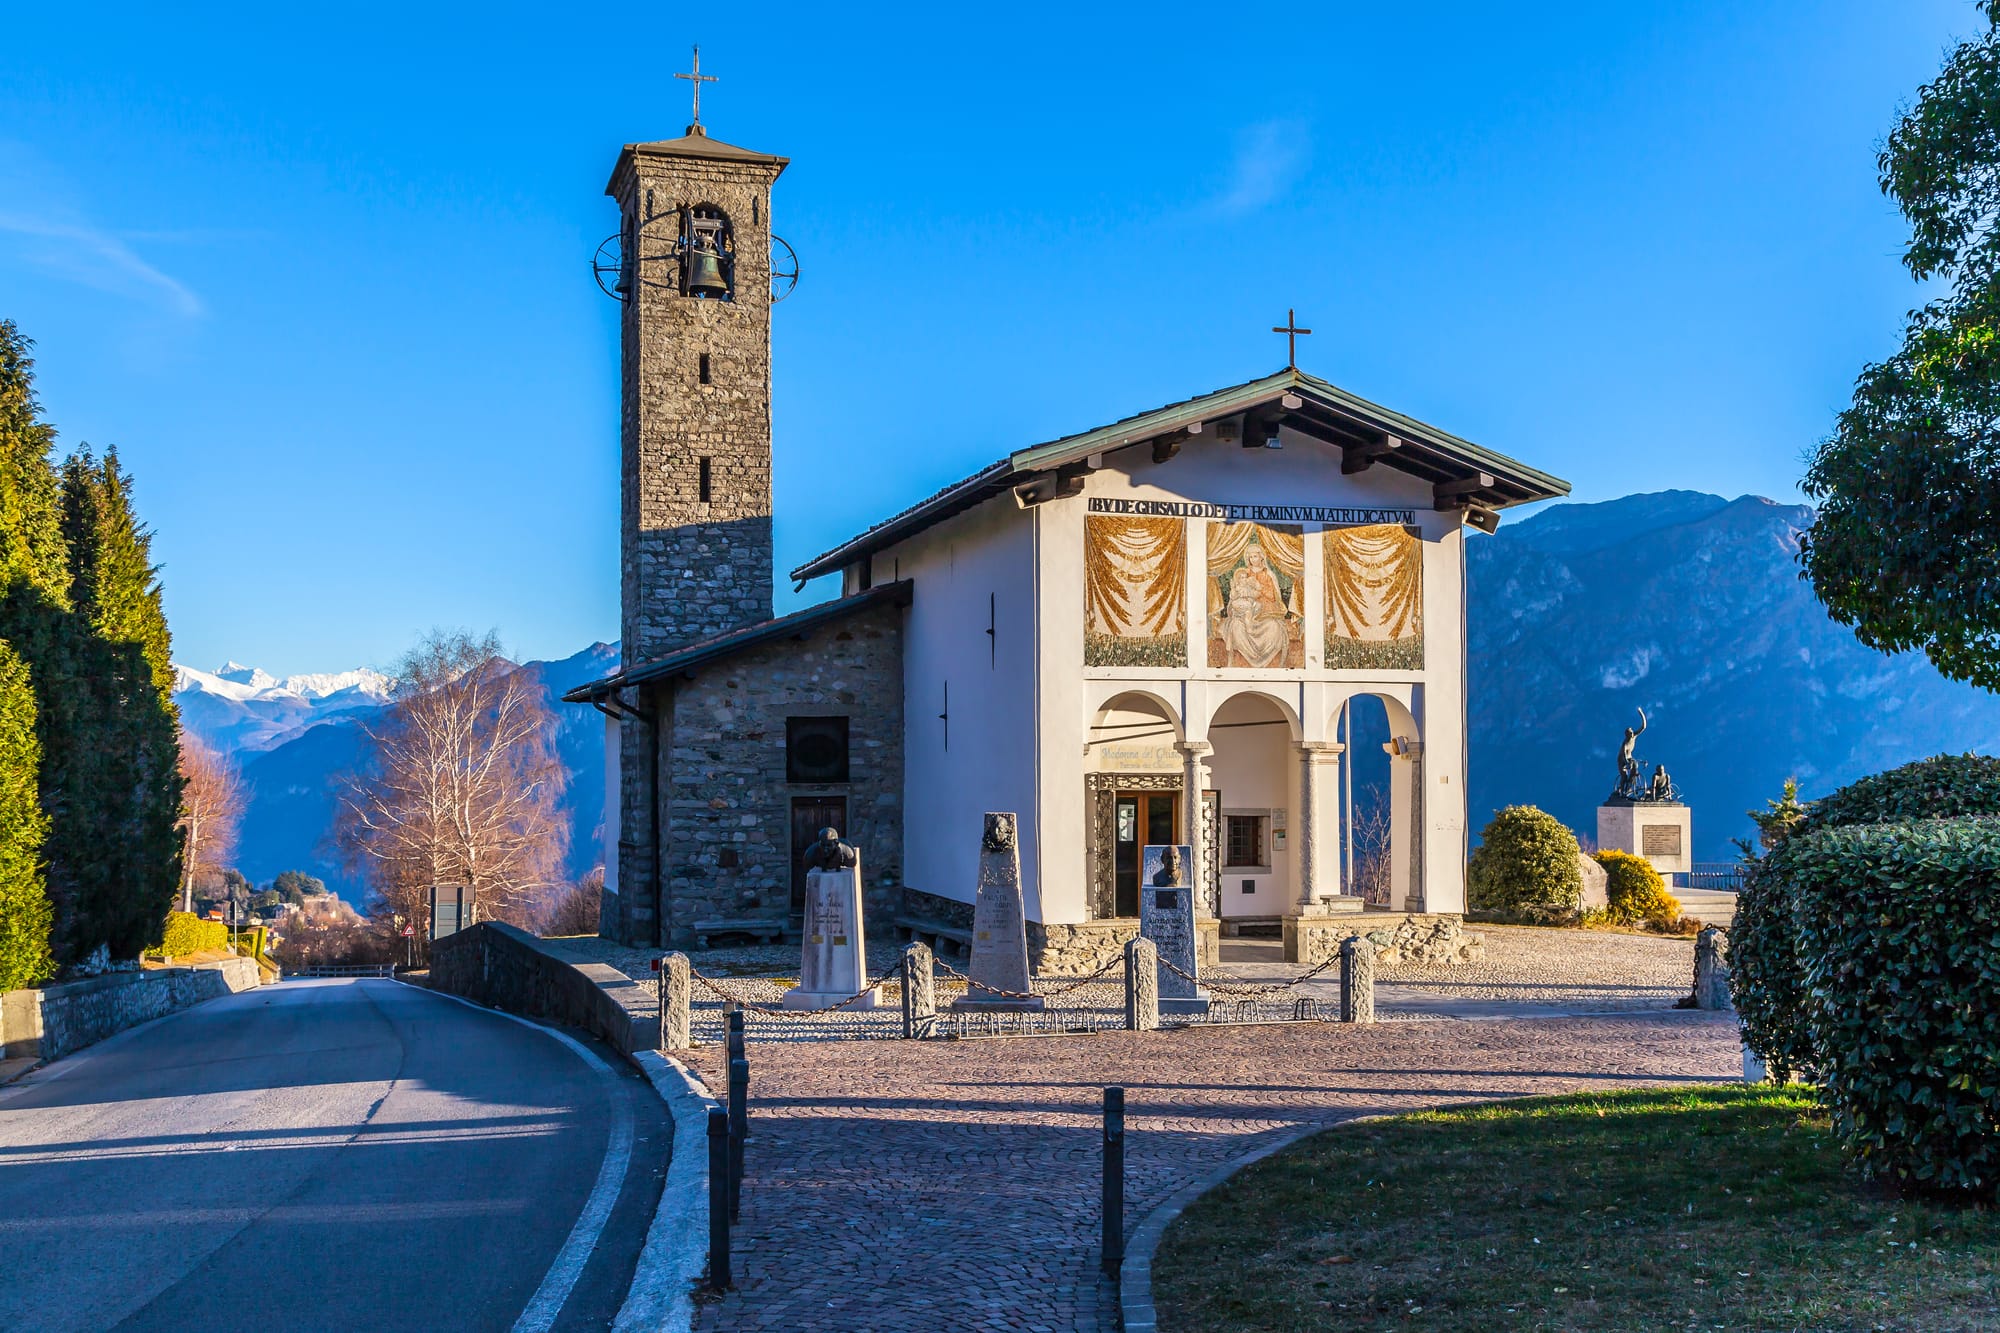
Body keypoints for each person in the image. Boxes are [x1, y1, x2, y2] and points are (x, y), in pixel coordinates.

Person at [1217, 545, 1294, 667]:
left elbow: (1273, 596)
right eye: (1251, 557)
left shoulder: (1268, 574)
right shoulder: (1244, 573)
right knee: (1236, 626)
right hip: (1248, 609)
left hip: (1266, 610)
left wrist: (1259, 587)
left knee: (1274, 627)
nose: (1253, 559)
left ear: (1261, 557)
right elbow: (1236, 592)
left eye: (1255, 556)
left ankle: (1270, 664)